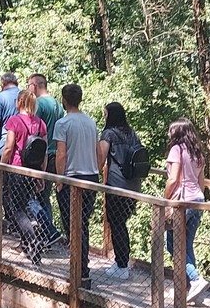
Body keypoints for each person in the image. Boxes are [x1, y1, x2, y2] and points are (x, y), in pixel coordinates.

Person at [164, 118, 210, 303]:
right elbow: (201, 182)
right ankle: (190, 292)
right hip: (198, 200)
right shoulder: (197, 152)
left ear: (177, 133)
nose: (169, 134)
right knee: (187, 244)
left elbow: (173, 179)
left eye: (171, 131)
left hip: (183, 202)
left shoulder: (176, 150)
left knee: (172, 243)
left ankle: (195, 280)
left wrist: (164, 200)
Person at [53, 84, 100, 286]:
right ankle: (83, 267)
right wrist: (96, 169)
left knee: (71, 224)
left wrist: (59, 179)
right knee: (83, 223)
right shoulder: (91, 122)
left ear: (64, 99)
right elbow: (99, 152)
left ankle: (78, 269)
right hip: (91, 177)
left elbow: (61, 154)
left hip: (71, 178)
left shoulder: (63, 124)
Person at [0, 88, 49, 267]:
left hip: (17, 169)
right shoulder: (41, 123)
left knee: (15, 209)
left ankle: (32, 239)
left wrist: (2, 167)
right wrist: (41, 174)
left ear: (19, 102)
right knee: (26, 204)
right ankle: (28, 243)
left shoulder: (14, 121)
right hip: (33, 171)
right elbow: (44, 151)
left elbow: (8, 148)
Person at [99, 103, 145, 274]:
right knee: (121, 223)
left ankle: (121, 265)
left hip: (116, 186)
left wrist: (96, 170)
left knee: (116, 223)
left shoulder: (109, 134)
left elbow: (101, 157)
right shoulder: (132, 134)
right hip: (133, 187)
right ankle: (122, 262)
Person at [30, 74, 64, 242]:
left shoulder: (39, 104)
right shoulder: (58, 105)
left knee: (34, 197)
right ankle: (48, 233)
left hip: (42, 156)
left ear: (35, 85)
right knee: (45, 197)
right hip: (56, 155)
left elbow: (34, 129)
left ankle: (46, 232)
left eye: (30, 85)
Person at [0, 72, 22, 161]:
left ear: (2, 84)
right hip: (22, 149)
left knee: (0, 174)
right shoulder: (26, 96)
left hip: (4, 147)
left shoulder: (0, 97)